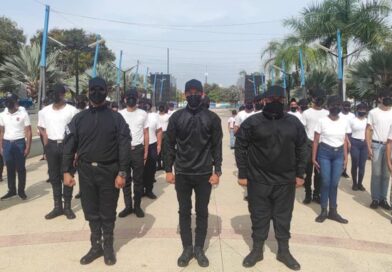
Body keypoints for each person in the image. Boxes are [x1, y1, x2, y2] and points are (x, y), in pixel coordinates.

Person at [235, 85, 307, 270]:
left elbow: (302, 148)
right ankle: (257, 250)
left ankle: (284, 251)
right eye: (271, 99)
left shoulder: (294, 122)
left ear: (284, 100)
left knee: (283, 217)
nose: (275, 102)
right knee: (259, 216)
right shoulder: (252, 122)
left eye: (279, 99)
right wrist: (243, 173)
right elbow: (240, 146)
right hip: (258, 179)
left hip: (285, 180)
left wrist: (300, 174)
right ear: (264, 100)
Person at [63, 77, 131, 266]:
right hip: (85, 171)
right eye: (93, 89)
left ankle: (108, 246)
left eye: (100, 89)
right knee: (91, 210)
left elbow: (124, 147)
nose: (96, 92)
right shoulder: (79, 118)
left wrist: (123, 173)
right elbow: (69, 146)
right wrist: (66, 171)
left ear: (106, 91)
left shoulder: (117, 118)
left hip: (110, 170)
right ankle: (96, 246)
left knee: (108, 212)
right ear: (88, 91)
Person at [164, 79, 222, 268]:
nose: (193, 95)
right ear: (185, 94)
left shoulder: (212, 118)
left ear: (203, 94)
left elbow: (217, 147)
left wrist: (218, 171)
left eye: (197, 91)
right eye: (190, 92)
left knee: (202, 211)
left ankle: (199, 248)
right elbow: (169, 144)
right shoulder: (176, 117)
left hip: (204, 172)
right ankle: (187, 248)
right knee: (184, 211)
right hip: (182, 172)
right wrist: (168, 169)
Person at [39, 84, 79, 219]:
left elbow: (77, 132)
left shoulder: (72, 111)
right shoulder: (44, 111)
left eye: (58, 93)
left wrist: (76, 151)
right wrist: (46, 148)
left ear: (63, 94)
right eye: (52, 93)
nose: (55, 96)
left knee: (68, 174)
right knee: (54, 177)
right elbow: (42, 130)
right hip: (51, 145)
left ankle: (67, 207)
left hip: (67, 146)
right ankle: (57, 207)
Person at [313, 95, 349, 224]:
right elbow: (316, 140)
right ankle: (323, 210)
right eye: (333, 105)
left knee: (334, 183)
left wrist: (346, 157)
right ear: (328, 107)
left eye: (338, 105)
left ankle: (333, 211)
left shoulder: (344, 121)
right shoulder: (322, 121)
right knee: (326, 182)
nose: (336, 107)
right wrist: (313, 157)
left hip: (338, 154)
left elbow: (344, 140)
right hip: (324, 153)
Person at [119, 88, 149, 218]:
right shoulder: (120, 114)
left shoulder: (143, 113)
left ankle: (137, 206)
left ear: (137, 99)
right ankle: (128, 206)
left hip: (138, 150)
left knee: (138, 180)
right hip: (124, 150)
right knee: (125, 179)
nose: (131, 99)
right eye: (128, 96)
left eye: (133, 96)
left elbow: (146, 133)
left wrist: (146, 151)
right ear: (124, 99)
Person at [0, 93, 32, 200]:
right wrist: (1, 146)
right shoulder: (2, 115)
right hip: (7, 143)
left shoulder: (23, 114)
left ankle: (21, 191)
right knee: (9, 168)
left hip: (19, 143)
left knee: (21, 168)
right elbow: (1, 131)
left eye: (13, 101)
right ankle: (12, 190)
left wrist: (28, 146)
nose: (9, 103)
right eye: (8, 101)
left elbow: (28, 131)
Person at [366, 88, 392, 210]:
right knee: (376, 174)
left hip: (390, 146)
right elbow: (368, 130)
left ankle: (383, 199)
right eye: (385, 96)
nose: (388, 98)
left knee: (387, 174)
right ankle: (375, 199)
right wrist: (368, 147)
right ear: (380, 98)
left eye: (389, 96)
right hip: (376, 145)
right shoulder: (373, 112)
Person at [302, 88, 329, 204]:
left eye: (321, 98)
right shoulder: (306, 113)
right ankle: (308, 193)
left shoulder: (327, 113)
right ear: (312, 99)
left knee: (319, 172)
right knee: (308, 172)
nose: (319, 100)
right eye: (317, 97)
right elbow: (302, 130)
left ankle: (316, 194)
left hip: (322, 145)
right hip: (309, 144)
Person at [142, 99, 162, 199]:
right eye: (143, 104)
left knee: (150, 169)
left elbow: (159, 131)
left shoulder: (154, 116)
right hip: (139, 146)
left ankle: (149, 190)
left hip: (152, 145)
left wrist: (159, 145)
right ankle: (140, 190)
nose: (145, 106)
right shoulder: (136, 115)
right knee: (139, 170)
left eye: (147, 104)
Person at [349, 103, 368, 191]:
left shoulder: (367, 121)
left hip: (365, 143)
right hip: (355, 142)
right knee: (355, 163)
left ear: (366, 111)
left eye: (364, 110)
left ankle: (360, 183)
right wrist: (349, 143)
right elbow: (348, 133)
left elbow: (370, 133)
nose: (362, 111)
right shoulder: (353, 120)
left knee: (362, 165)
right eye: (360, 109)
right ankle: (354, 183)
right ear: (357, 110)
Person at [339, 101, 355, 179]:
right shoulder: (339, 115)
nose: (347, 107)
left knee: (346, 155)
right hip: (341, 135)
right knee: (340, 154)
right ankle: (339, 170)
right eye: (345, 106)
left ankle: (344, 171)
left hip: (350, 135)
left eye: (348, 106)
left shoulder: (352, 115)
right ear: (342, 106)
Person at [157, 103, 169, 170]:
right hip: (164, 133)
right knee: (164, 150)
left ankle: (159, 165)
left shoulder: (156, 116)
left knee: (159, 150)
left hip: (159, 133)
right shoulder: (167, 116)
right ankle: (164, 165)